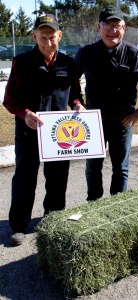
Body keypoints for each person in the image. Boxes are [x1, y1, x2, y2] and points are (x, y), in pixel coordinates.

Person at [3, 14, 84, 246]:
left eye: (52, 37)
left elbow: (75, 94)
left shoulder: (68, 63)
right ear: (34, 36)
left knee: (58, 177)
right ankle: (18, 225)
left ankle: (53, 219)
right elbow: (9, 100)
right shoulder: (22, 61)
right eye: (43, 37)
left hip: (59, 134)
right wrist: (25, 113)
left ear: (59, 36)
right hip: (29, 131)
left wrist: (78, 104)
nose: (48, 42)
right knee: (25, 178)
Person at [74, 6, 138, 201]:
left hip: (122, 122)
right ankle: (94, 205)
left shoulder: (134, 54)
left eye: (117, 25)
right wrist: (77, 103)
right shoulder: (86, 53)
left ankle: (116, 206)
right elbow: (70, 81)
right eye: (108, 25)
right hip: (94, 122)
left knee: (120, 168)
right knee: (93, 167)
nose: (112, 30)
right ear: (99, 27)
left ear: (123, 28)